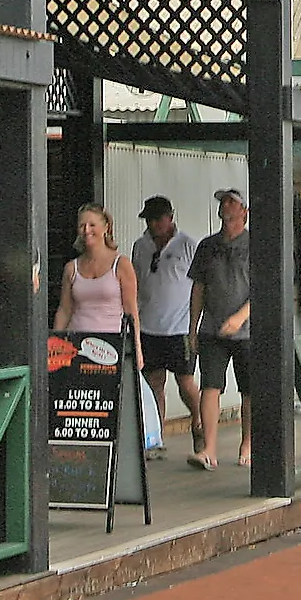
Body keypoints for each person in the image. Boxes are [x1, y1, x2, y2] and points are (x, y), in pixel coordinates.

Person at [189, 188, 252, 468]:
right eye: (223, 202)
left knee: (249, 389)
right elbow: (198, 287)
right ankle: (209, 449)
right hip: (212, 327)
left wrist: (240, 316)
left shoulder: (256, 244)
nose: (225, 207)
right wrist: (192, 327)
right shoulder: (207, 245)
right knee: (210, 386)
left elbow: (264, 288)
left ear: (244, 212)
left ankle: (248, 443)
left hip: (248, 329)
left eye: (232, 202)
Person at [131, 196, 198, 462]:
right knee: (153, 382)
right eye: (149, 220)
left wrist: (195, 323)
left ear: (170, 217)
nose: (153, 225)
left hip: (179, 326)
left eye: (158, 219)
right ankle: (155, 437)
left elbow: (198, 285)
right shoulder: (140, 245)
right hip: (149, 324)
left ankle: (199, 422)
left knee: (185, 381)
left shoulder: (187, 245)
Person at [55, 201, 144, 390]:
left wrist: (137, 348)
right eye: (82, 225)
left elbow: (131, 310)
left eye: (92, 225)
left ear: (106, 227)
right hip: (77, 347)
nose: (87, 230)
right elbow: (64, 309)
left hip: (110, 347)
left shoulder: (121, 264)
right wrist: (56, 345)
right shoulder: (72, 268)